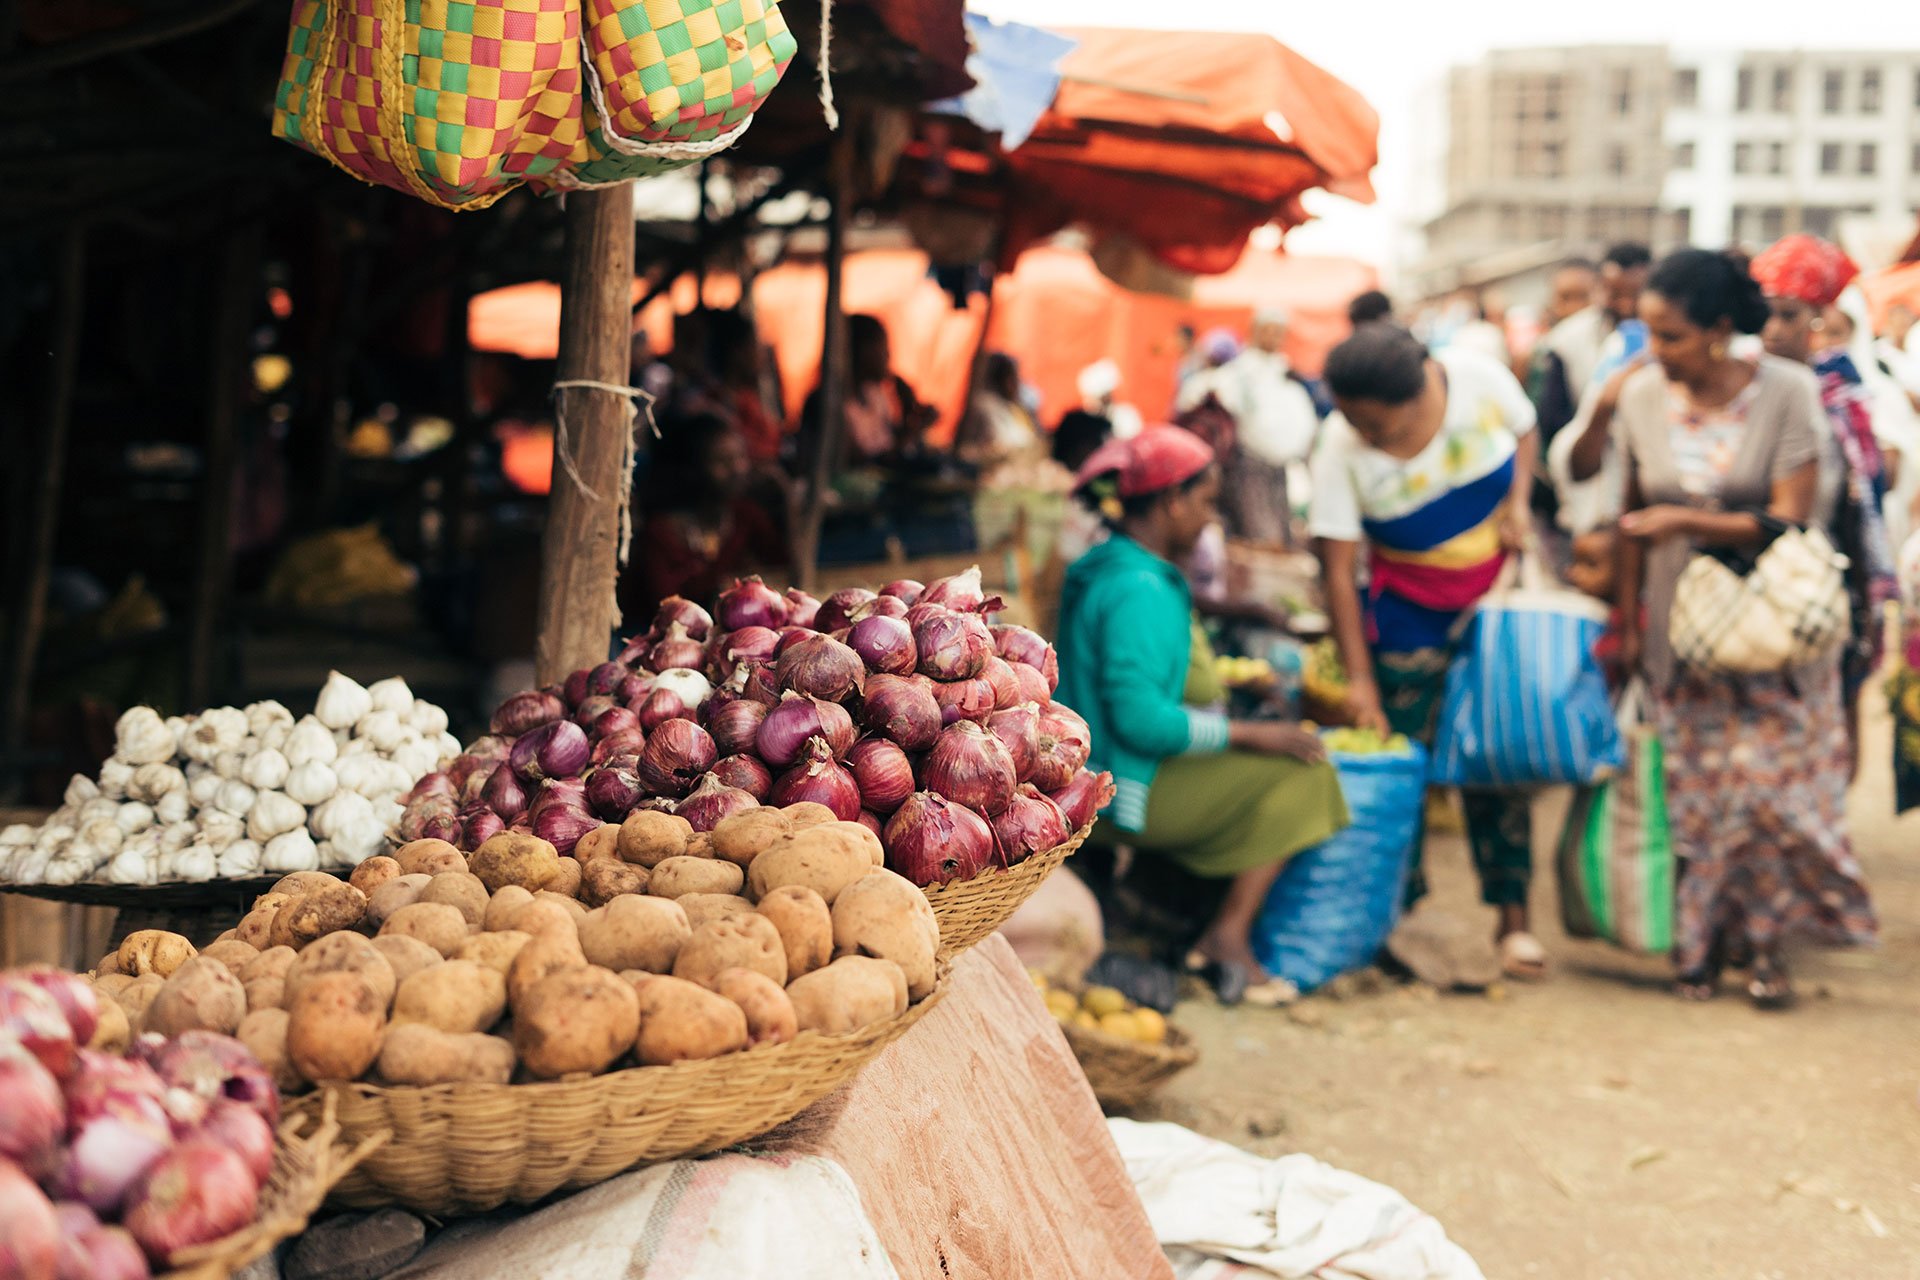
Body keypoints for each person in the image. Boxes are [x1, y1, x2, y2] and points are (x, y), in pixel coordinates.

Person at [1613, 248, 1876, 1008]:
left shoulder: (1789, 391)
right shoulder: (1638, 399)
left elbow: (1792, 514)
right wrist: (1629, 628)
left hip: (1778, 632)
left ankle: (1765, 945)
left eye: (1671, 337)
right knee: (1697, 800)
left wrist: (1686, 520)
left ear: (1722, 330)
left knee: (1770, 799)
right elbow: (1627, 518)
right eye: (1649, 335)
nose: (1656, 353)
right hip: (1682, 635)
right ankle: (1698, 945)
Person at [1055, 427, 1349, 1006]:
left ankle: (1176, 913)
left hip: (1099, 769)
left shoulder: (1110, 566)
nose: (1209, 518)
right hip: (1120, 788)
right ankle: (1227, 938)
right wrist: (1249, 733)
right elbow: (1141, 721)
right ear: (1171, 501)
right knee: (1307, 775)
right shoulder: (1139, 586)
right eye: (1206, 502)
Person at [1309, 324, 1547, 979]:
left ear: (1419, 396)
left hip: (1497, 602)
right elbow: (1337, 569)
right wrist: (1359, 678)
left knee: (1501, 759)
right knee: (1403, 765)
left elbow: (1525, 430)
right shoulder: (1338, 444)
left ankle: (1513, 919)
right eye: (1349, 418)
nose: (1359, 431)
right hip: (1405, 614)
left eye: (1372, 422)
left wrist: (1519, 503)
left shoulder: (1476, 377)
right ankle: (1400, 918)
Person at [1751, 236, 1898, 768]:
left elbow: (1867, 493)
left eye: (1787, 316)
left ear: (1817, 319)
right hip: (1754, 561)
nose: (1772, 330)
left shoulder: (1843, 390)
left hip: (1826, 563)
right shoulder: (1743, 385)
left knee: (1835, 703)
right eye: (1763, 316)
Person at [1179, 307, 1320, 546]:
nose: (1273, 337)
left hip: (1276, 469)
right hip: (1246, 467)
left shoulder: (1284, 373)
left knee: (1278, 535)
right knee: (1259, 536)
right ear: (1254, 331)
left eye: (1278, 332)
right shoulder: (1239, 373)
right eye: (1268, 331)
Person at [628, 413, 786, 617]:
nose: (737, 469)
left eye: (740, 457)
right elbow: (667, 608)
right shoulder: (662, 533)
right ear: (693, 469)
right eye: (722, 461)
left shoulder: (746, 516)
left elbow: (782, 563)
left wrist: (786, 496)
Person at [793, 314, 936, 475]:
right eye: (882, 347)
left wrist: (908, 415)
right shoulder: (827, 403)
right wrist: (914, 431)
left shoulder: (875, 395)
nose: (888, 355)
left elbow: (888, 445)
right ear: (863, 351)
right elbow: (861, 464)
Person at [957, 352, 1040, 466]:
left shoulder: (1015, 407)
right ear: (1001, 380)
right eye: (1013, 378)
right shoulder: (983, 405)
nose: (1016, 384)